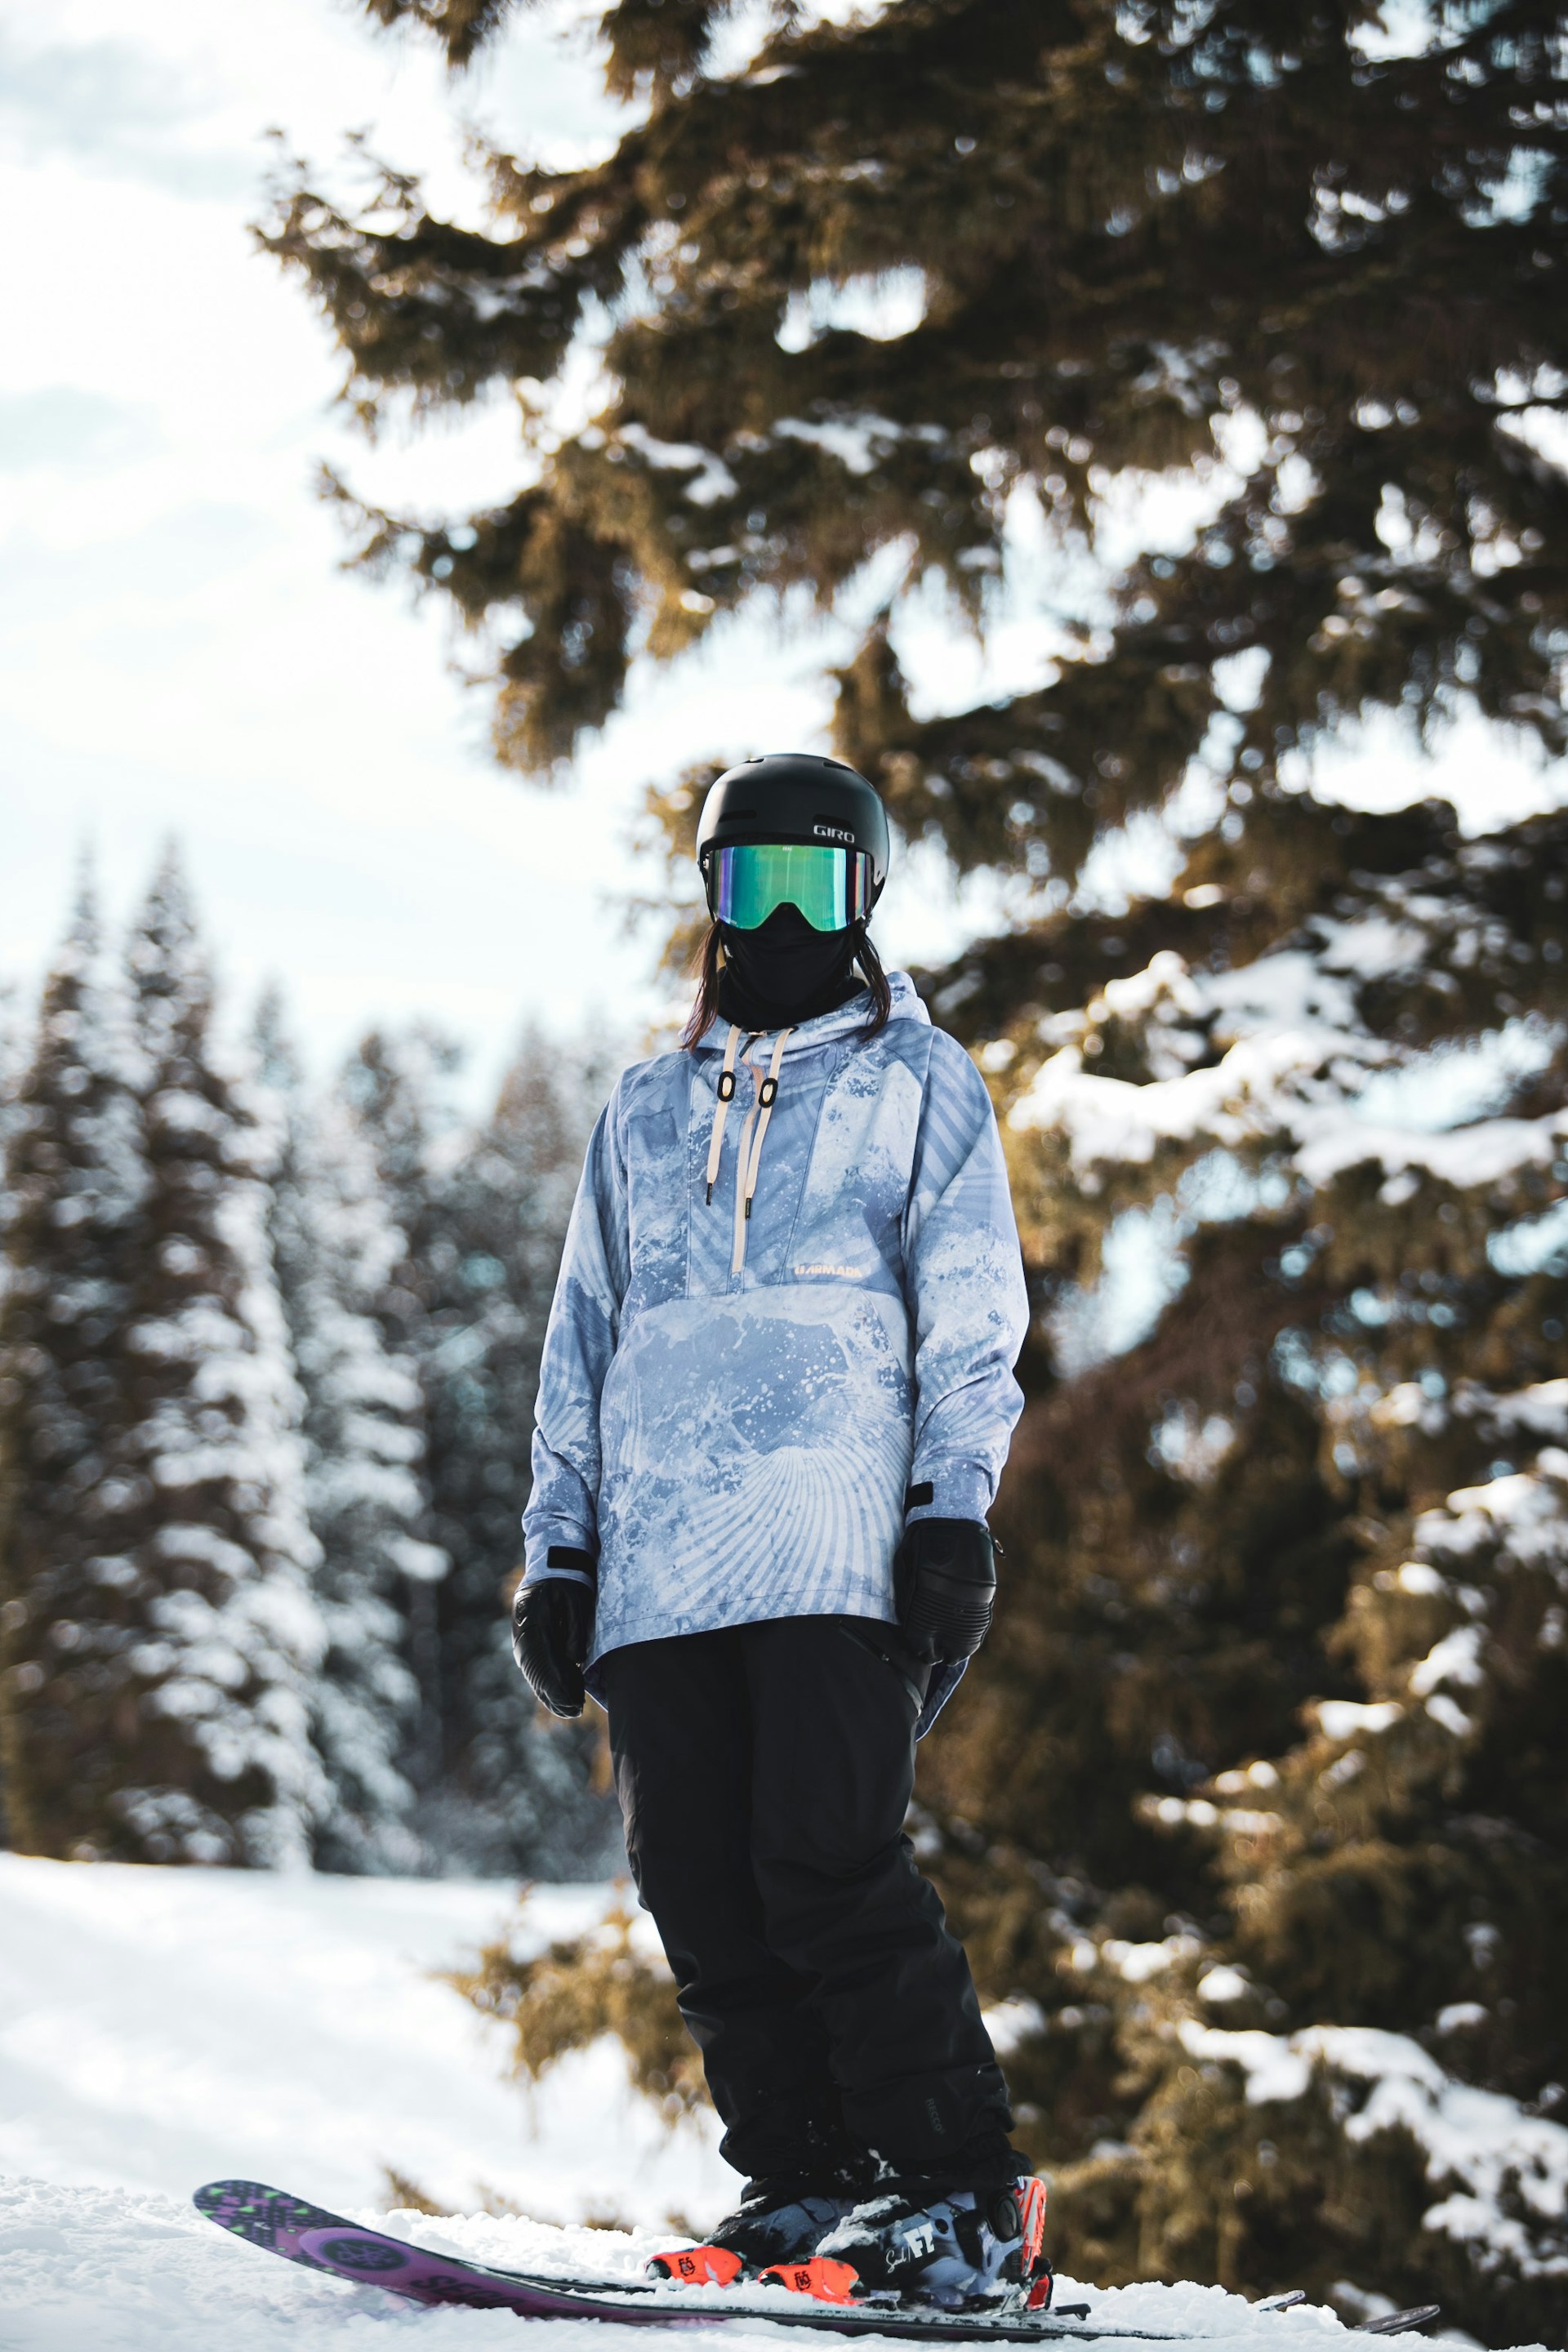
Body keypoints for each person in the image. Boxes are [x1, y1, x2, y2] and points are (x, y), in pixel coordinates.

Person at [512, 753, 1044, 2308]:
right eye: (756, 885)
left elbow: (972, 1315)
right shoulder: (643, 1108)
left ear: (865, 897)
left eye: (817, 885)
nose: (786, 917)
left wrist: (954, 1511)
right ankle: (812, 2182)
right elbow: (583, 1339)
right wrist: (560, 1547)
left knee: (824, 1859)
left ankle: (955, 2194)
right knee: (699, 1877)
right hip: (663, 1559)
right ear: (714, 895)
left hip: (831, 1536)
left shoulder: (918, 1082)